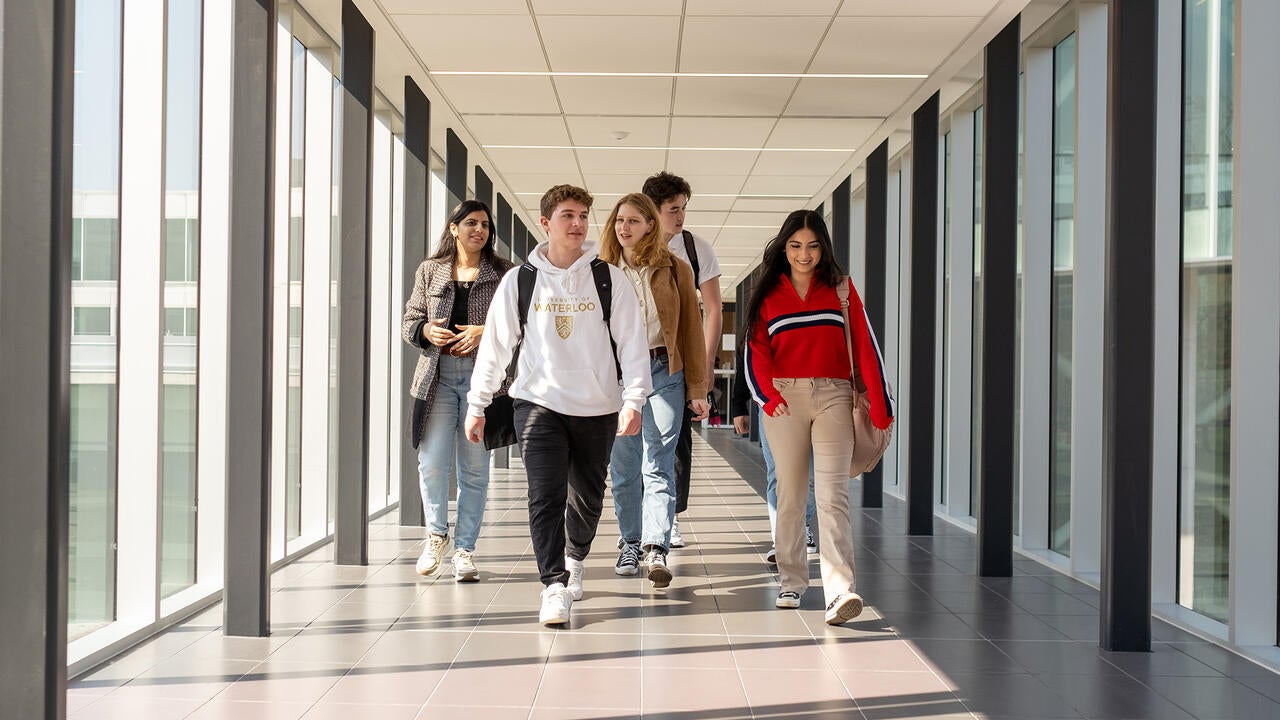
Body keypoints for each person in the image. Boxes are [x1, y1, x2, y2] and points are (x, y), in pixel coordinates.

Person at [464, 185, 651, 627]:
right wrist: (478, 403)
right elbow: (495, 347)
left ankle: (576, 556)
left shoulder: (609, 278)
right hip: (537, 403)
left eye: (584, 215)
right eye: (568, 215)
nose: (578, 223)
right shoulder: (520, 280)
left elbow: (632, 345)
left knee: (586, 498)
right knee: (544, 495)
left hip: (598, 406)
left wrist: (634, 399)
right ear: (546, 223)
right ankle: (553, 584)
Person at [744, 209, 894, 625]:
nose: (804, 254)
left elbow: (866, 346)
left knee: (832, 497)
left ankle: (840, 591)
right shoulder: (768, 293)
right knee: (791, 495)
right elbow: (754, 350)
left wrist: (881, 407)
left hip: (834, 395)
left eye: (811, 246)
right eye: (795, 246)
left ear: (823, 248)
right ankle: (791, 581)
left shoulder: (841, 291)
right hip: (784, 400)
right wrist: (767, 397)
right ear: (784, 248)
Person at [599, 193, 711, 588]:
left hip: (665, 370)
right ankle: (629, 541)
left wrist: (697, 387)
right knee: (624, 467)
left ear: (650, 225)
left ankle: (655, 546)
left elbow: (692, 332)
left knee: (659, 463)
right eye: (619, 221)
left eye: (633, 221)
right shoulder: (601, 272)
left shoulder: (676, 269)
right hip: (618, 378)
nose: (624, 227)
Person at [401, 200, 512, 582]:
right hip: (437, 377)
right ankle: (436, 534)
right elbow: (410, 320)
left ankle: (465, 549)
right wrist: (425, 332)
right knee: (431, 462)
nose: (478, 230)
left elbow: (519, 324)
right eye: (470, 223)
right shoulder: (430, 270)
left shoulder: (502, 273)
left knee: (474, 470)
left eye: (484, 224)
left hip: (484, 382)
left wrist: (484, 332)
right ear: (453, 228)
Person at [642, 171, 723, 549]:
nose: (681, 217)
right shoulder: (629, 246)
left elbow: (712, 310)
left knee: (674, 443)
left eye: (683, 209)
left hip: (675, 363)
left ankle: (668, 518)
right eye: (673, 210)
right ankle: (644, 518)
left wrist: (704, 366)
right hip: (636, 360)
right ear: (652, 212)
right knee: (634, 445)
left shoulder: (695, 249)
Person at [730, 346, 819, 565]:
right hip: (773, 399)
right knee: (778, 473)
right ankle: (781, 539)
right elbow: (747, 359)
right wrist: (738, 405)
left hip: (814, 396)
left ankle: (802, 525)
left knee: (810, 476)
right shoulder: (762, 314)